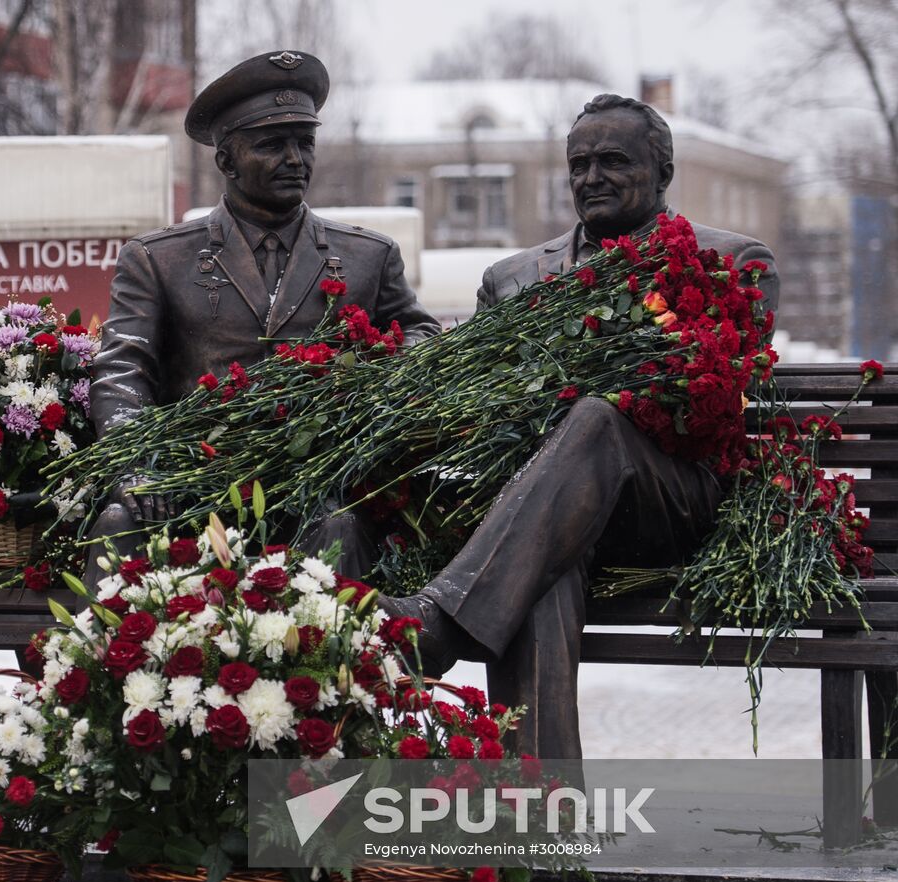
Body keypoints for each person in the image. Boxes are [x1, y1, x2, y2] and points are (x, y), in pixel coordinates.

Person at [381, 94, 781, 759]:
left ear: (663, 169)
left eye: (613, 161)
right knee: (537, 565)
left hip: (670, 499)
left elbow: (719, 390)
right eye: (579, 164)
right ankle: (539, 832)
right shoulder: (512, 279)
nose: (591, 177)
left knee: (596, 418)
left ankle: (441, 621)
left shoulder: (733, 260)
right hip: (550, 513)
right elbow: (483, 404)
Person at [86, 49, 438, 577]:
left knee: (339, 528)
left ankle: (338, 663)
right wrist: (137, 468)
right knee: (120, 524)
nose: (296, 160)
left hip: (315, 479)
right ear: (226, 160)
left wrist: (375, 381)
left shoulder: (370, 257)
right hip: (190, 482)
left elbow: (421, 333)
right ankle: (108, 660)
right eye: (273, 145)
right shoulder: (159, 259)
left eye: (305, 143)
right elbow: (122, 370)